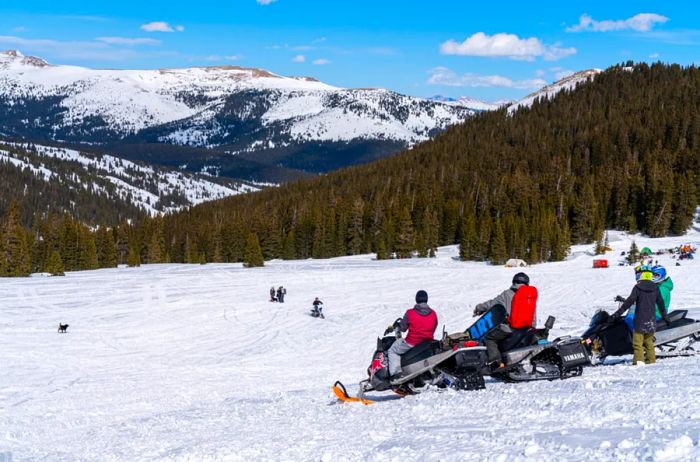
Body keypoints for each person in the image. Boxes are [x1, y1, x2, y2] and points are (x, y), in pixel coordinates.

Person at [473, 272, 537, 369]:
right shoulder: (529, 296)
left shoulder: (507, 294)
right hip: (526, 328)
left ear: (514, 282)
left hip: (510, 328)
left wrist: (479, 308)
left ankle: (496, 363)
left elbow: (492, 304)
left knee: (489, 338)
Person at [613, 269, 670, 365]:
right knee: (649, 343)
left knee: (638, 344)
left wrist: (616, 315)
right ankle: (651, 361)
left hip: (640, 320)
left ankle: (638, 362)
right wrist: (665, 317)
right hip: (651, 320)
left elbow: (628, 303)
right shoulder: (656, 288)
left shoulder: (638, 288)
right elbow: (661, 305)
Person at [387, 290, 438, 380]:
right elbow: (434, 326)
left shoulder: (410, 313)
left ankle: (396, 374)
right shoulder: (433, 313)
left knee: (392, 351)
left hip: (412, 342)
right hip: (427, 342)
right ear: (426, 299)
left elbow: (403, 328)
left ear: (416, 299)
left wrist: (398, 325)